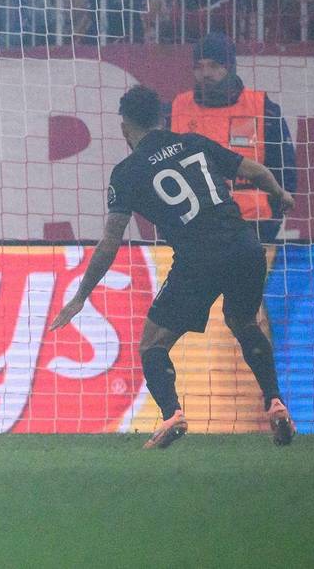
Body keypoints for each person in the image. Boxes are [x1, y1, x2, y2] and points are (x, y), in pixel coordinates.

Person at [49, 85, 296, 449]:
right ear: (162, 119)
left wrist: (81, 296)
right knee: (244, 323)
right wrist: (281, 194)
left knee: (153, 342)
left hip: (198, 260)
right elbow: (256, 171)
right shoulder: (193, 142)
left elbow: (110, 243)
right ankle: (275, 402)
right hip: (245, 247)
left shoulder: (127, 173)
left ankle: (172, 414)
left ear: (124, 127)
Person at [169, 33, 297, 246]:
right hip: (194, 225)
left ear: (230, 66)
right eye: (199, 67)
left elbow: (285, 167)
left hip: (254, 224)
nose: (205, 73)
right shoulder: (178, 107)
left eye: (213, 66)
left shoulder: (263, 108)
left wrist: (273, 218)